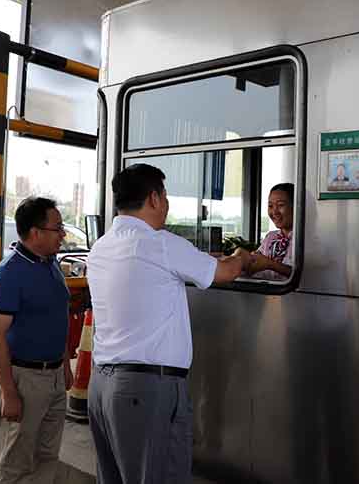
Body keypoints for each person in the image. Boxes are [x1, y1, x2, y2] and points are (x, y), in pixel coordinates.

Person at [86, 163, 250, 484]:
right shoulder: (160, 243)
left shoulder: (101, 247)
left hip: (102, 386)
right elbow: (226, 272)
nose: (167, 204)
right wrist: (243, 256)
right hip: (146, 390)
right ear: (154, 198)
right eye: (165, 196)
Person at [0, 196, 74, 484]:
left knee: (47, 458)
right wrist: (9, 393)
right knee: (16, 464)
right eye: (57, 228)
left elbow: (57, 319)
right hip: (24, 379)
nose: (63, 234)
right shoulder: (10, 273)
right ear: (35, 232)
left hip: (54, 377)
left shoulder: (50, 264)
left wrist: (65, 365)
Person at [238, 182, 294, 280]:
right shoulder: (270, 237)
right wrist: (243, 259)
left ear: (296, 207)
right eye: (270, 206)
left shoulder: (305, 240)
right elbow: (255, 261)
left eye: (280, 205)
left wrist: (270, 264)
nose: (274, 212)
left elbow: (305, 275)